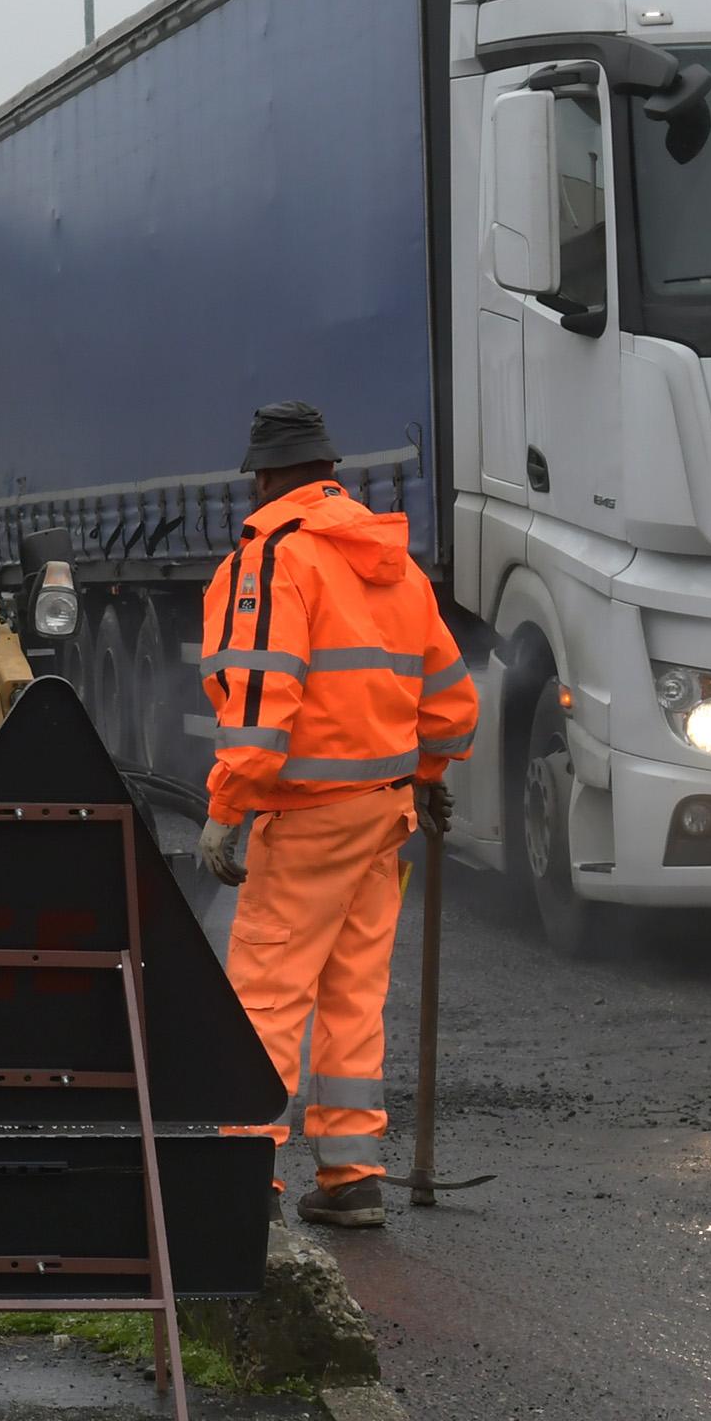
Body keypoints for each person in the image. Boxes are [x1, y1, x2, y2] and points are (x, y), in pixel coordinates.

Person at [195, 402, 478, 1230]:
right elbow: (452, 701)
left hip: (310, 814)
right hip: (383, 813)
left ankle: (241, 1173)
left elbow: (258, 695)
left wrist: (227, 805)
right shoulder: (388, 558)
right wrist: (426, 774)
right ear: (331, 473)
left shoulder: (274, 555)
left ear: (266, 477)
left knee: (267, 994)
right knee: (353, 993)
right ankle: (352, 1174)